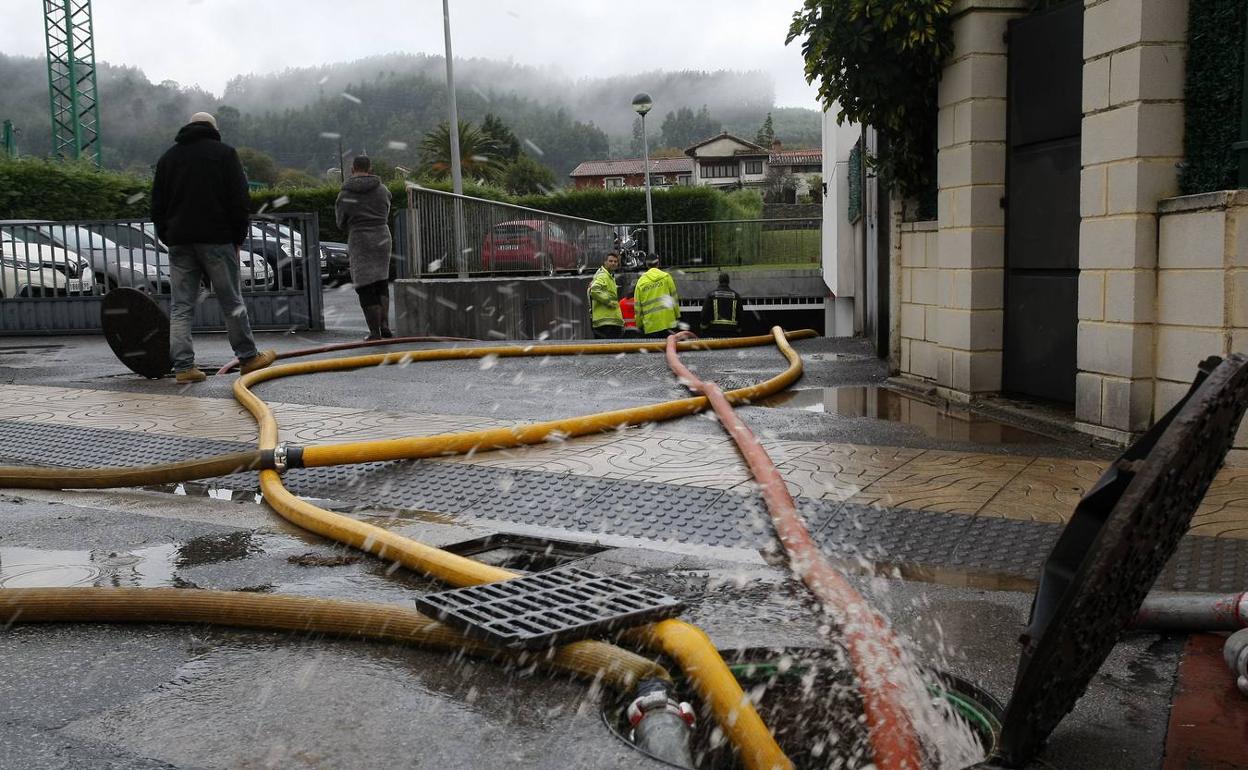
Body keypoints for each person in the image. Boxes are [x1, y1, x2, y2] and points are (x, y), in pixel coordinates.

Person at [151, 111, 275, 384]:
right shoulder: (224, 154)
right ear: (213, 129)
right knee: (231, 300)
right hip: (217, 239)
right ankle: (248, 357)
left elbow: (157, 207)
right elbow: (238, 200)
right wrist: (237, 238)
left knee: (181, 306)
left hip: (180, 241)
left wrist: (169, 236)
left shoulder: (167, 159)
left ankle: (183, 367)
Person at [335, 155, 395, 340]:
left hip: (359, 239)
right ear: (370, 168)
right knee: (381, 282)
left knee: (364, 285)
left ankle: (374, 332)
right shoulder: (383, 190)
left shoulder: (345, 194)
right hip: (382, 238)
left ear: (353, 169)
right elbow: (386, 211)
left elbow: (340, 222)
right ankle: (385, 325)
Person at [633, 254, 680, 338]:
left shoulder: (640, 282)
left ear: (646, 264)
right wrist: (677, 315)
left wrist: (639, 324)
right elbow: (674, 298)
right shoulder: (666, 277)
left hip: (650, 325)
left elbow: (637, 306)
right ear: (658, 263)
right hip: (668, 322)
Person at [587, 251, 622, 338]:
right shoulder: (603, 276)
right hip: (606, 322)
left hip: (608, 321)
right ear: (605, 262)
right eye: (610, 261)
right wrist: (609, 301)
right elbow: (594, 290)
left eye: (615, 261)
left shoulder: (609, 277)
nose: (613, 263)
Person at [700, 272, 743, 336]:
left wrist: (704, 327)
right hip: (731, 331)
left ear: (719, 281)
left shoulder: (711, 295)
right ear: (728, 281)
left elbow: (705, 312)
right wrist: (739, 328)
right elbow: (740, 314)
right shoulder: (736, 296)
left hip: (714, 331)